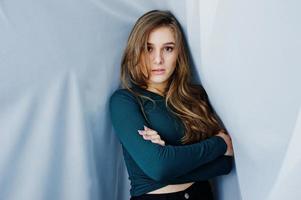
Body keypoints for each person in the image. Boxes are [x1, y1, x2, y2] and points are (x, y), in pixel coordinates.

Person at [109, 10, 234, 200]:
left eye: (167, 48)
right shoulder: (125, 101)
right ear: (136, 51)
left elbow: (224, 164)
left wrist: (168, 159)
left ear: (178, 53)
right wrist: (219, 143)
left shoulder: (195, 96)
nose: (158, 59)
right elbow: (159, 167)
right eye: (148, 48)